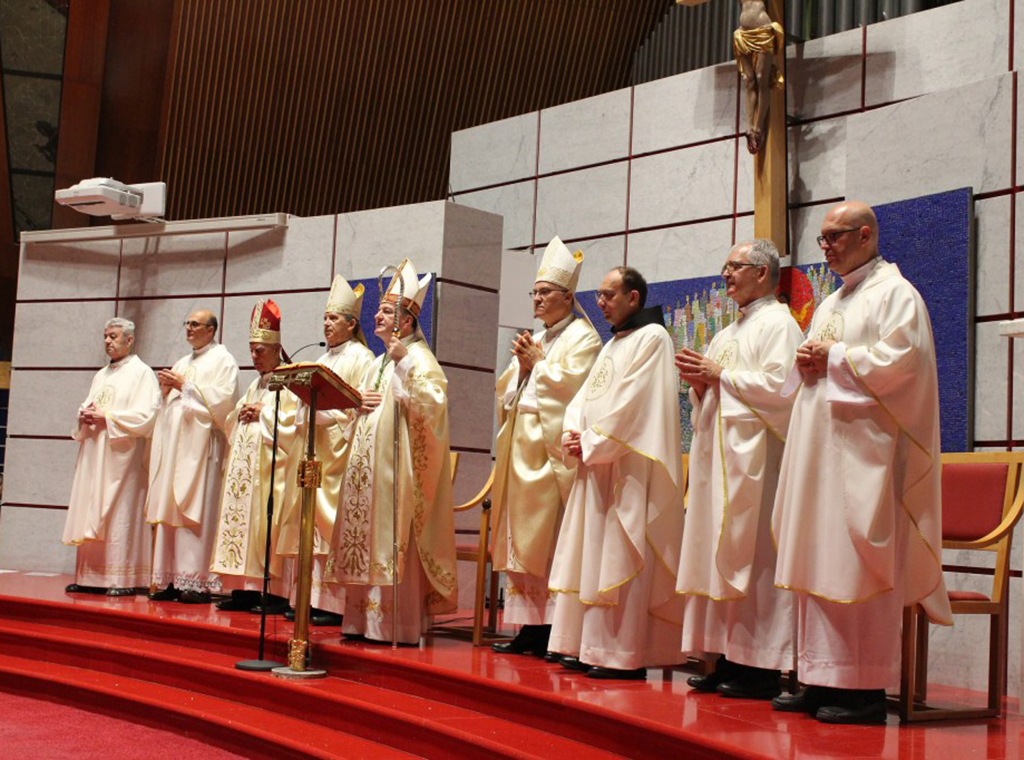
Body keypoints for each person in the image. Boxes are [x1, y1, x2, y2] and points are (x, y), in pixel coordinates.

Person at [771, 201, 952, 724]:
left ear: (866, 235)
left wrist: (832, 358)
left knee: (854, 563)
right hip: (820, 455)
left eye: (835, 236)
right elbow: (817, 362)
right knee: (817, 557)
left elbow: (904, 365)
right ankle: (820, 678)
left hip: (864, 458)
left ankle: (865, 690)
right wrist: (808, 362)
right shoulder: (832, 302)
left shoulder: (896, 294)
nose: (825, 247)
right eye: (823, 238)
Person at [675, 239, 802, 699]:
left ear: (763, 273)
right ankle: (727, 656)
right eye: (725, 267)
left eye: (735, 266)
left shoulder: (780, 325)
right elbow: (716, 388)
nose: (725, 274)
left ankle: (760, 667)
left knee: (755, 559)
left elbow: (784, 391)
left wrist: (720, 377)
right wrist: (700, 386)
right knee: (719, 553)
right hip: (719, 460)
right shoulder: (727, 334)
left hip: (758, 466)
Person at [548, 266, 684, 679]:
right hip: (597, 465)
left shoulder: (653, 338)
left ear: (633, 297)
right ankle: (586, 645)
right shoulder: (613, 343)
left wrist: (591, 441)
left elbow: (633, 404)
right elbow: (584, 397)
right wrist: (573, 433)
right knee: (591, 555)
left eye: (609, 295)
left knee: (620, 553)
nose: (601, 302)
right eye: (600, 295)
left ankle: (621, 654)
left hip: (628, 468)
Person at [324, 258, 458, 644]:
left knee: (392, 536)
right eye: (379, 310)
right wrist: (357, 404)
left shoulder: (419, 358)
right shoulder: (379, 361)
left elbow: (434, 407)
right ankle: (360, 621)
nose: (376, 317)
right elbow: (365, 406)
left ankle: (393, 625)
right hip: (370, 470)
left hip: (398, 471)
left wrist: (406, 366)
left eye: (384, 311)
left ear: (406, 321)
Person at [490, 237, 602, 657]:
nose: (537, 299)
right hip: (522, 448)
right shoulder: (536, 337)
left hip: (552, 455)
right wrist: (523, 372)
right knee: (520, 539)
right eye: (534, 292)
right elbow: (507, 391)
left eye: (545, 292)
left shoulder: (584, 338)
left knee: (549, 539)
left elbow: (577, 388)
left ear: (568, 297)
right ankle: (527, 626)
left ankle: (553, 628)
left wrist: (538, 366)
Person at [280, 276, 374, 626]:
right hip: (313, 451)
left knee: (330, 526)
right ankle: (306, 598)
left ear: (351, 324)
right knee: (309, 525)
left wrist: (326, 413)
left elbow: (361, 407)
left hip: (338, 454)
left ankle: (332, 604)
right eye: (324, 317)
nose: (326, 323)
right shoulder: (319, 359)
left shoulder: (363, 358)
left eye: (333, 318)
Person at [211, 299, 300, 612]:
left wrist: (264, 413)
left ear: (276, 349)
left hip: (272, 472)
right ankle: (243, 589)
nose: (254, 356)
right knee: (242, 527)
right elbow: (232, 420)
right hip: (246, 473)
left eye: (260, 350)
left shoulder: (289, 382)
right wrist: (241, 413)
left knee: (265, 528)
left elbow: (294, 426)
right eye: (251, 350)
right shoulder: (256, 383)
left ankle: (273, 593)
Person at [147, 309, 239, 604]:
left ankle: (196, 582)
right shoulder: (182, 362)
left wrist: (184, 386)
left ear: (211, 330)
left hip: (202, 451)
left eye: (195, 324)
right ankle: (170, 580)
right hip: (176, 450)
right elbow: (169, 406)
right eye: (187, 323)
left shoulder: (224, 360)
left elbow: (224, 403)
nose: (188, 328)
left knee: (196, 511)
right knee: (170, 510)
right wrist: (165, 391)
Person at [63, 318, 160, 596]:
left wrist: (108, 418)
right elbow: (92, 404)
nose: (107, 341)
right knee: (89, 508)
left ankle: (121, 578)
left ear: (130, 340)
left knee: (119, 513)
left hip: (123, 459)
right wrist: (84, 415)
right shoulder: (101, 374)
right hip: (96, 453)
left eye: (113, 336)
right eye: (105, 336)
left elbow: (148, 417)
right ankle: (88, 577)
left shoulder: (142, 373)